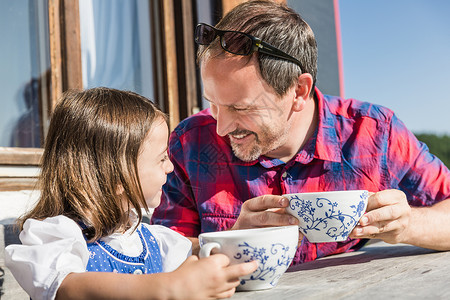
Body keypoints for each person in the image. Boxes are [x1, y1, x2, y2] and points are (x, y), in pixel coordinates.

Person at [151, 0, 450, 264]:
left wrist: (407, 224)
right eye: (214, 104)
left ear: (298, 90)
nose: (221, 127)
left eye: (241, 108)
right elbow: (158, 253)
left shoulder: (373, 133)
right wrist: (229, 241)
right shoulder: (190, 143)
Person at [5, 87, 257, 300]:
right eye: (161, 159)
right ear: (117, 178)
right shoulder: (58, 235)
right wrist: (169, 288)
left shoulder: (148, 239)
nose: (170, 166)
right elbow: (65, 288)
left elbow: (201, 249)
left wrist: (241, 235)